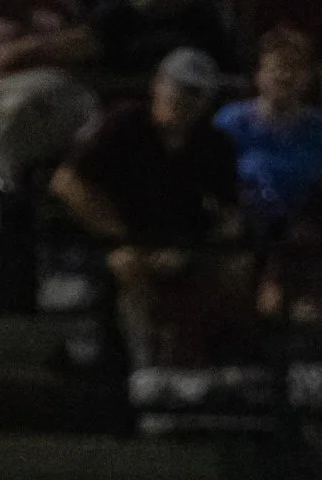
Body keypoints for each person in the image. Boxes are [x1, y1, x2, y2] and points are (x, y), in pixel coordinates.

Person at [50, 49, 244, 366]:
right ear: (157, 84)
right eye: (178, 87)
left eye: (196, 93)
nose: (184, 99)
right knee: (128, 267)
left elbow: (229, 213)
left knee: (231, 269)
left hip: (181, 243)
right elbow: (67, 182)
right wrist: (121, 238)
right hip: (113, 240)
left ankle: (212, 363)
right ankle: (145, 366)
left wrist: (195, 250)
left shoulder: (215, 144)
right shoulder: (123, 124)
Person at [215, 27, 322, 237]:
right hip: (239, 229)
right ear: (259, 74)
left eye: (295, 68)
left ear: (307, 77)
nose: (285, 76)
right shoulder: (230, 121)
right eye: (277, 67)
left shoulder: (320, 127)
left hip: (301, 232)